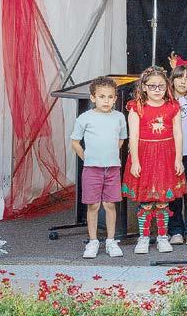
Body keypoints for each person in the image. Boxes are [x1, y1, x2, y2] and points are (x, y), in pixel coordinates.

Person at [123, 66, 186, 254]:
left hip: (166, 156)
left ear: (167, 86)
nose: (157, 90)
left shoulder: (173, 107)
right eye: (152, 86)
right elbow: (133, 136)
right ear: (144, 87)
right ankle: (143, 237)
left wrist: (178, 159)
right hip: (145, 156)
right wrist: (135, 161)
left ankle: (162, 236)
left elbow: (178, 134)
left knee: (162, 201)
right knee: (146, 201)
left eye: (161, 86)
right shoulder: (136, 107)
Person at [71, 76, 127, 258]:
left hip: (112, 168)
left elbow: (121, 139)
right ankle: (93, 241)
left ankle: (111, 240)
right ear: (93, 97)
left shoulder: (119, 117)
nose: (106, 101)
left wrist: (111, 154)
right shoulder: (85, 118)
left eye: (110, 97)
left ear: (115, 98)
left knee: (110, 204)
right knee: (93, 205)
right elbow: (75, 142)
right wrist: (86, 157)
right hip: (92, 169)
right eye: (102, 97)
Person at [167, 64, 187, 245]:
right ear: (172, 80)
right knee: (175, 194)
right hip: (172, 154)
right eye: (179, 77)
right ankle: (176, 230)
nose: (183, 82)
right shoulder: (167, 102)